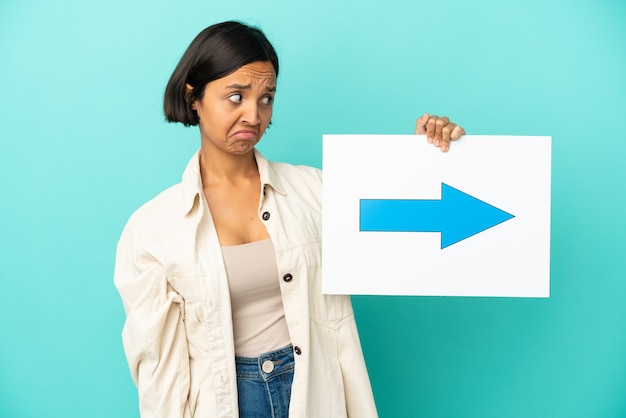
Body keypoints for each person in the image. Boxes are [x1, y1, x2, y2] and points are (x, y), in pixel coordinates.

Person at [114, 21, 465, 418]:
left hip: (314, 393)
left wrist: (424, 159)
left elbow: (404, 232)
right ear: (193, 97)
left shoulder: (315, 191)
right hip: (229, 401)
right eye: (236, 96)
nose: (254, 114)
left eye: (266, 98)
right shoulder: (152, 230)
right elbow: (160, 373)